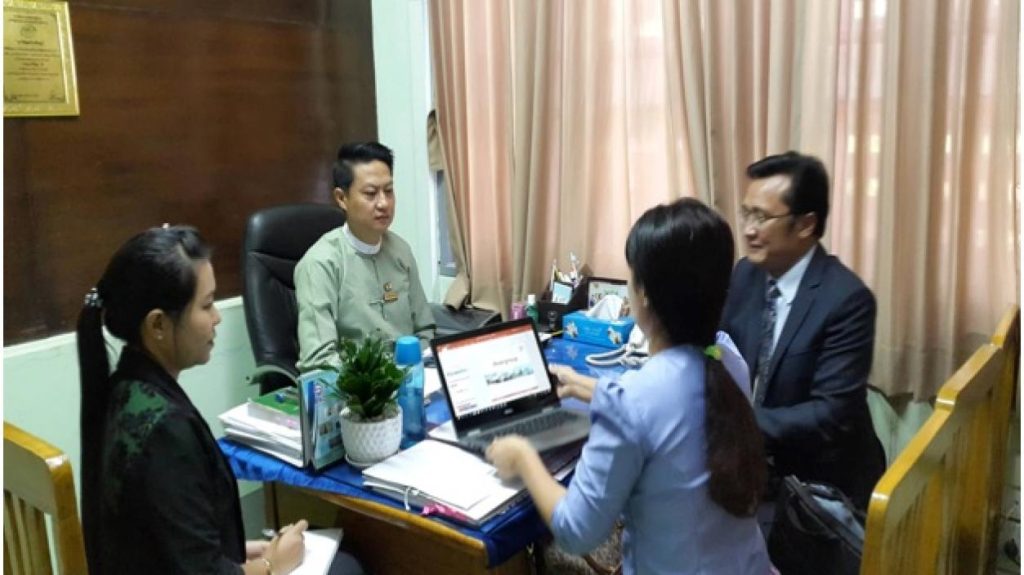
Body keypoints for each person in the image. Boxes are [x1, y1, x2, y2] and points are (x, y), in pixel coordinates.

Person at [487, 198, 772, 574]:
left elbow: (576, 531)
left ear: (644, 293)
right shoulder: (729, 362)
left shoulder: (633, 401)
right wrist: (585, 386)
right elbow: (668, 410)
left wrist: (522, 456)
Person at [77, 225, 310, 574]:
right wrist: (271, 564)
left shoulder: (123, 390)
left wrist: (242, 551)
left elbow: (170, 538)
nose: (217, 318)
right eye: (207, 305)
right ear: (158, 325)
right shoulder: (166, 434)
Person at [720, 151, 885, 511]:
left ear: (806, 225)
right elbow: (719, 349)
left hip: (817, 485)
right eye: (746, 214)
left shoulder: (846, 300)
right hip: (753, 464)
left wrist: (737, 424)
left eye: (762, 217)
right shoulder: (746, 274)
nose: (748, 230)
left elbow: (830, 414)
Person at [295, 141, 435, 371]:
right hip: (354, 387)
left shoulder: (401, 251)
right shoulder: (320, 264)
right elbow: (319, 360)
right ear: (342, 198)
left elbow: (425, 331)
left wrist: (416, 370)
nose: (384, 203)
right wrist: (377, 382)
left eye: (388, 191)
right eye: (371, 193)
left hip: (410, 379)